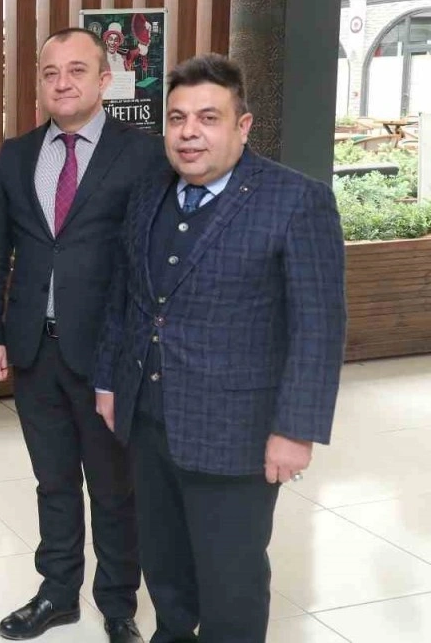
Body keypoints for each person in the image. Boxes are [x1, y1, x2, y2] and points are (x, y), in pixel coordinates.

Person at [94, 54, 347, 643]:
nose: (189, 133)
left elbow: (319, 326)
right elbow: (125, 298)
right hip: (149, 420)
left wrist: (295, 430)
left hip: (237, 432)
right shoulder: (149, 193)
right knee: (164, 565)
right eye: (177, 118)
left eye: (208, 118)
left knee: (230, 580)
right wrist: (109, 380)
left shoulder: (296, 201)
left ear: (243, 125)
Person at [0, 28, 163, 643]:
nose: (62, 82)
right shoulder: (17, 154)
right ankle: (57, 593)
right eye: (50, 71)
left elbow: (149, 263)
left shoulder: (141, 155)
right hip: (33, 348)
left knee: (113, 488)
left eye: (77, 70)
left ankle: (117, 603)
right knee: (53, 482)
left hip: (106, 355)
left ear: (104, 79)